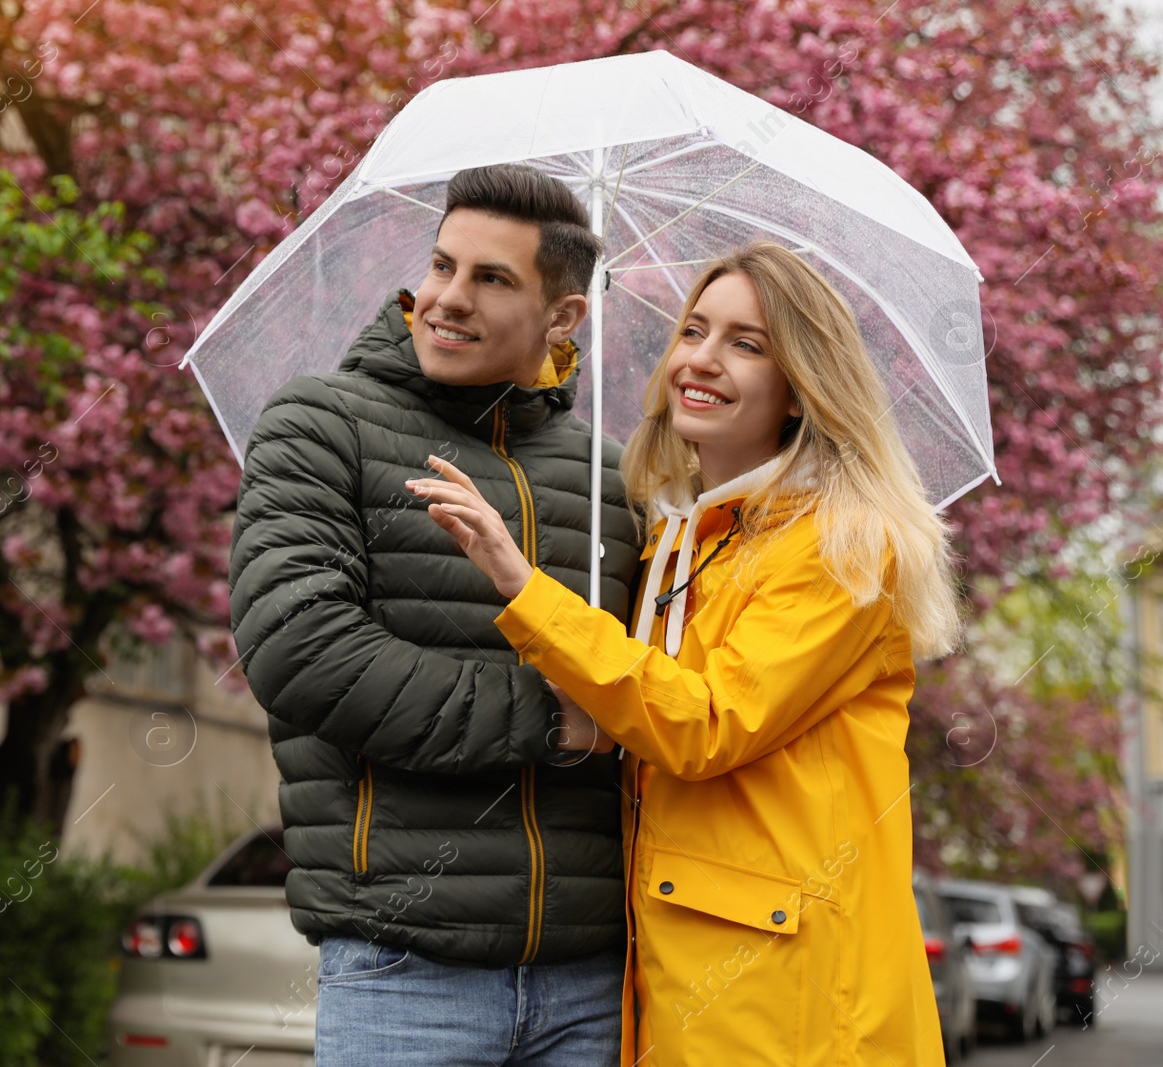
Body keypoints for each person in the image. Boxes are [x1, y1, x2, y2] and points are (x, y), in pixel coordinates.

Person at [406, 241, 961, 1066]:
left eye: (746, 343)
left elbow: (704, 723)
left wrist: (521, 583)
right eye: (694, 330)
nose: (700, 359)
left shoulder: (845, 545)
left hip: (790, 1003)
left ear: (802, 388)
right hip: (686, 981)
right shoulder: (686, 535)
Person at [227, 163, 641, 1065]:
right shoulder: (321, 423)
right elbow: (303, 650)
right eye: (443, 265)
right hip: (403, 968)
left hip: (598, 978)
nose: (445, 299)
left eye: (491, 278)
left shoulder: (618, 480)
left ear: (564, 318)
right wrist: (554, 717)